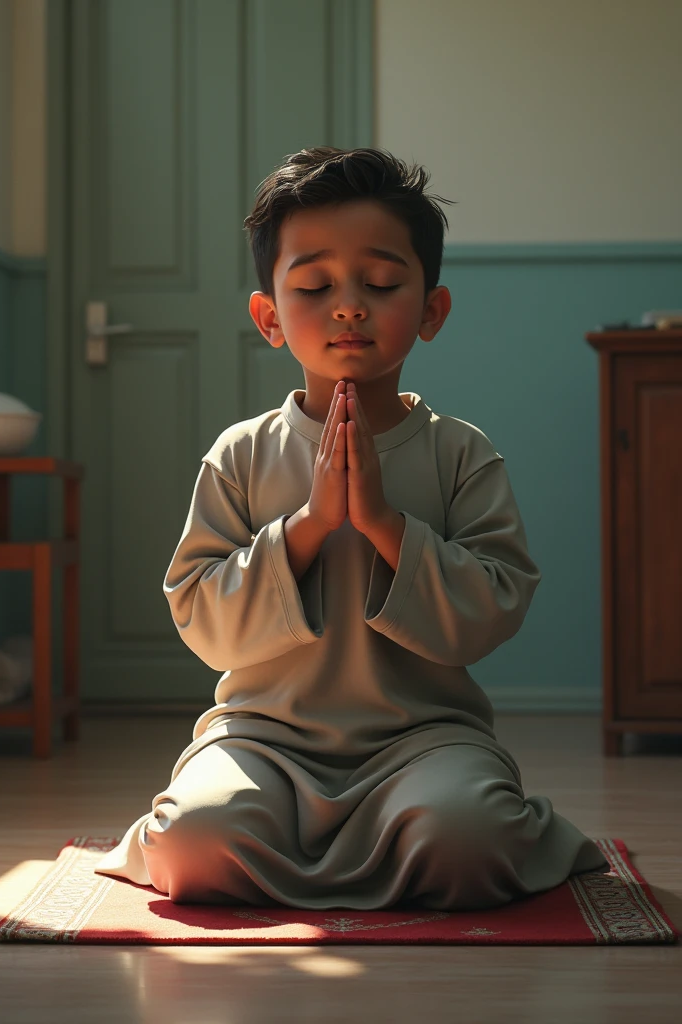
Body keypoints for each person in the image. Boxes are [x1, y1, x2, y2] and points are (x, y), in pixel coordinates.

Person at [94, 147, 610, 908]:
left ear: (430, 310)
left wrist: (382, 523)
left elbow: (494, 606)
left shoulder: (459, 452)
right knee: (196, 843)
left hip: (425, 740)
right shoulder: (241, 455)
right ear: (269, 316)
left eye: (379, 283)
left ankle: (393, 837)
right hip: (263, 740)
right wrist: (305, 528)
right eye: (313, 285)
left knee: (464, 836)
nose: (347, 306)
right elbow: (200, 616)